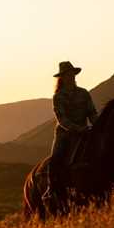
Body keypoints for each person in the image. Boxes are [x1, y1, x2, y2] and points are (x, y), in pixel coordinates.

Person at [44, 61, 98, 203]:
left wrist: (98, 125)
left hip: (85, 132)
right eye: (68, 75)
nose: (71, 77)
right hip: (65, 135)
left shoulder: (84, 93)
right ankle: (51, 189)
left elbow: (92, 113)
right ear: (62, 77)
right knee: (54, 160)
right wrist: (78, 129)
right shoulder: (58, 97)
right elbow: (62, 120)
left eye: (72, 74)